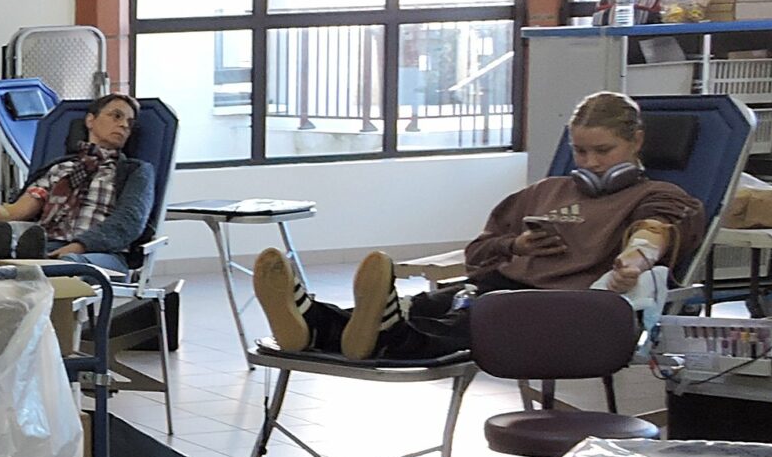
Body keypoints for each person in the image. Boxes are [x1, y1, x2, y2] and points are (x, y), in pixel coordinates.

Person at [253, 90, 703, 362]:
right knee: (426, 305)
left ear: (636, 141)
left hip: (562, 310)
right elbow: (479, 252)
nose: (590, 162)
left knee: (464, 323)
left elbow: (655, 230)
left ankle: (384, 337)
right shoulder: (546, 192)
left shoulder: (657, 195)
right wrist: (518, 245)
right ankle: (317, 323)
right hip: (495, 287)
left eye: (603, 151)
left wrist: (634, 261)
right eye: (580, 151)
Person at [0, 92, 153, 274]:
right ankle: (15, 260)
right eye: (116, 116)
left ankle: (34, 265)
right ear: (90, 120)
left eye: (130, 123)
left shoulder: (135, 171)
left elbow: (129, 221)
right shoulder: (59, 168)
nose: (123, 125)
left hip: (102, 253)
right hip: (48, 244)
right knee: (11, 257)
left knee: (68, 263)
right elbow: (20, 210)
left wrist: (78, 246)